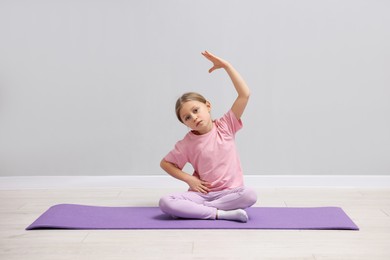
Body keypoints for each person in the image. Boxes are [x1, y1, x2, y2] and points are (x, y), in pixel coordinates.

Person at [159, 51, 257, 222]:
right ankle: (219, 214)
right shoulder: (187, 143)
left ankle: (196, 211)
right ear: (185, 124)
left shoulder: (226, 125)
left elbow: (244, 94)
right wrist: (189, 179)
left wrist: (227, 66)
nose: (194, 117)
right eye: (187, 117)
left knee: (250, 195)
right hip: (202, 195)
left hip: (230, 194)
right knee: (165, 202)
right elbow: (165, 163)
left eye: (195, 110)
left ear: (208, 106)